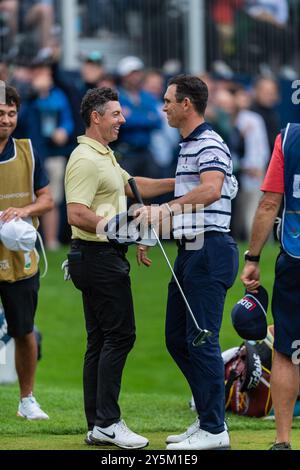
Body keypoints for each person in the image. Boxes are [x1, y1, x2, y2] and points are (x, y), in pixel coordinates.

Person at [64, 87, 174, 449]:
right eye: (115, 114)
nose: (122, 120)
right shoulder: (85, 158)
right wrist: (118, 231)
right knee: (120, 336)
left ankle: (98, 424)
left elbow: (133, 186)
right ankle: (108, 422)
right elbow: (76, 212)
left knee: (100, 340)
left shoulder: (104, 155)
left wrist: (181, 184)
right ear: (96, 117)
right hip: (98, 257)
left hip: (96, 257)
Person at [135, 74, 239, 450]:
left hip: (210, 250)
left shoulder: (209, 142)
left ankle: (215, 429)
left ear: (186, 105)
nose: (162, 106)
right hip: (192, 247)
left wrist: (163, 209)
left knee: (202, 339)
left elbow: (210, 190)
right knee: (178, 339)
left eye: (167, 100)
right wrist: (154, 232)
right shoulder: (189, 145)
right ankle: (208, 417)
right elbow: (190, 198)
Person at [241, 122, 300, 450]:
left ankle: (282, 440)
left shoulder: (289, 137)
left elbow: (268, 204)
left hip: (295, 255)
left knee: (288, 350)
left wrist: (253, 257)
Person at [0, 85, 53, 419]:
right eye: (0, 114)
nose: (6, 120)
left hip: (21, 259)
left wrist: (24, 209)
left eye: (11, 113)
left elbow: (47, 199)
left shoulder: (29, 152)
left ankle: (27, 399)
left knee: (23, 329)